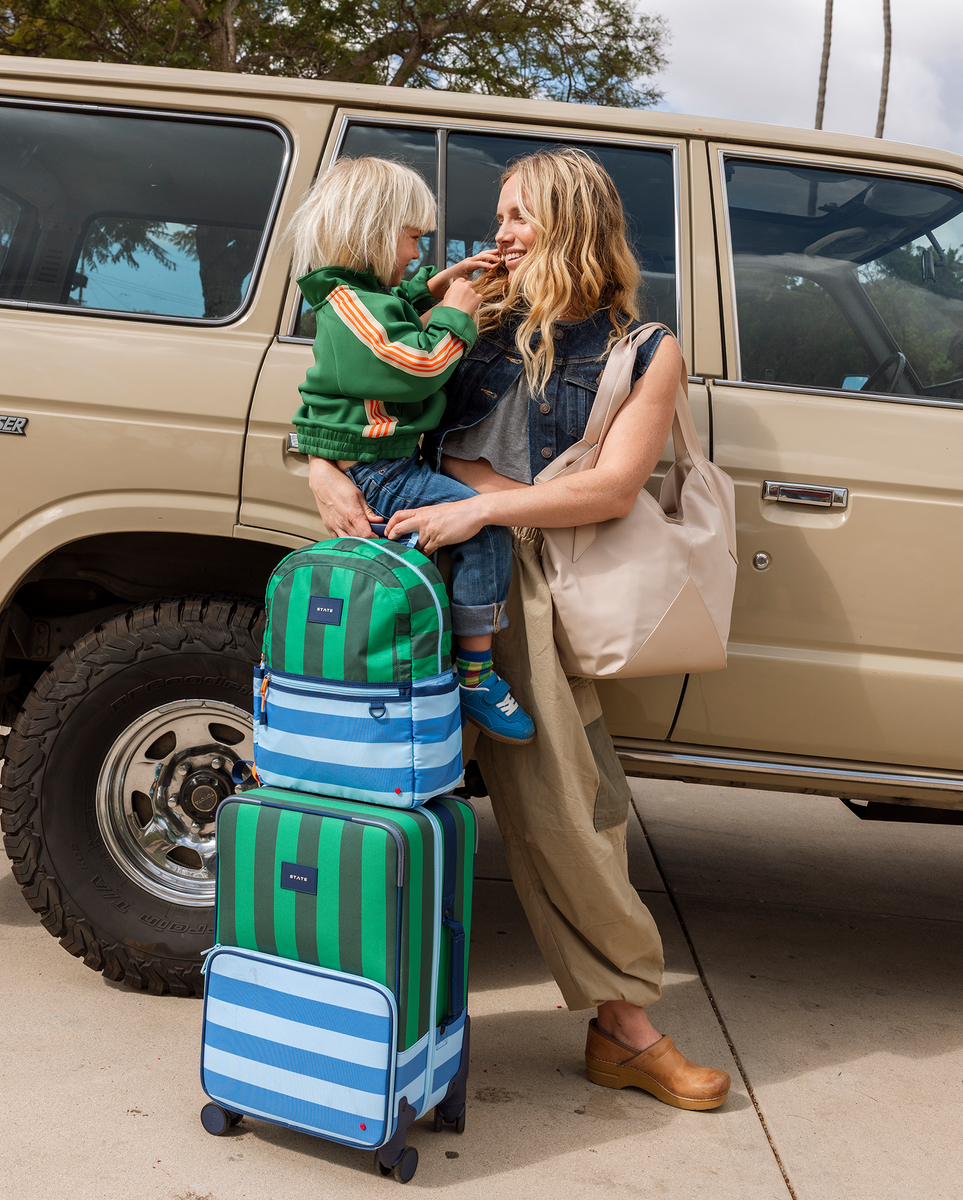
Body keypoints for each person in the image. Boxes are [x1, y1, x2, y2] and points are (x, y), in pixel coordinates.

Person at [308, 147, 732, 1111]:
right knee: (358, 795)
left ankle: (622, 1027)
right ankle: (334, 1006)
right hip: (405, 564)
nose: (497, 234)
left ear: (576, 222)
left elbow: (615, 487)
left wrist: (482, 513)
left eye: (519, 216)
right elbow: (352, 394)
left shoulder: (642, 347)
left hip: (521, 588)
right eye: (498, 216)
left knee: (571, 812)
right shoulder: (475, 318)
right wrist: (322, 472)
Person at [288, 155, 535, 744]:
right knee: (484, 529)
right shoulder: (349, 305)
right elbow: (415, 363)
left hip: (382, 463)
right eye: (411, 238)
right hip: (381, 469)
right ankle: (474, 673)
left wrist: (441, 282)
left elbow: (394, 308)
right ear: (372, 232)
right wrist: (458, 310)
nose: (414, 254)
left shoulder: (357, 296)